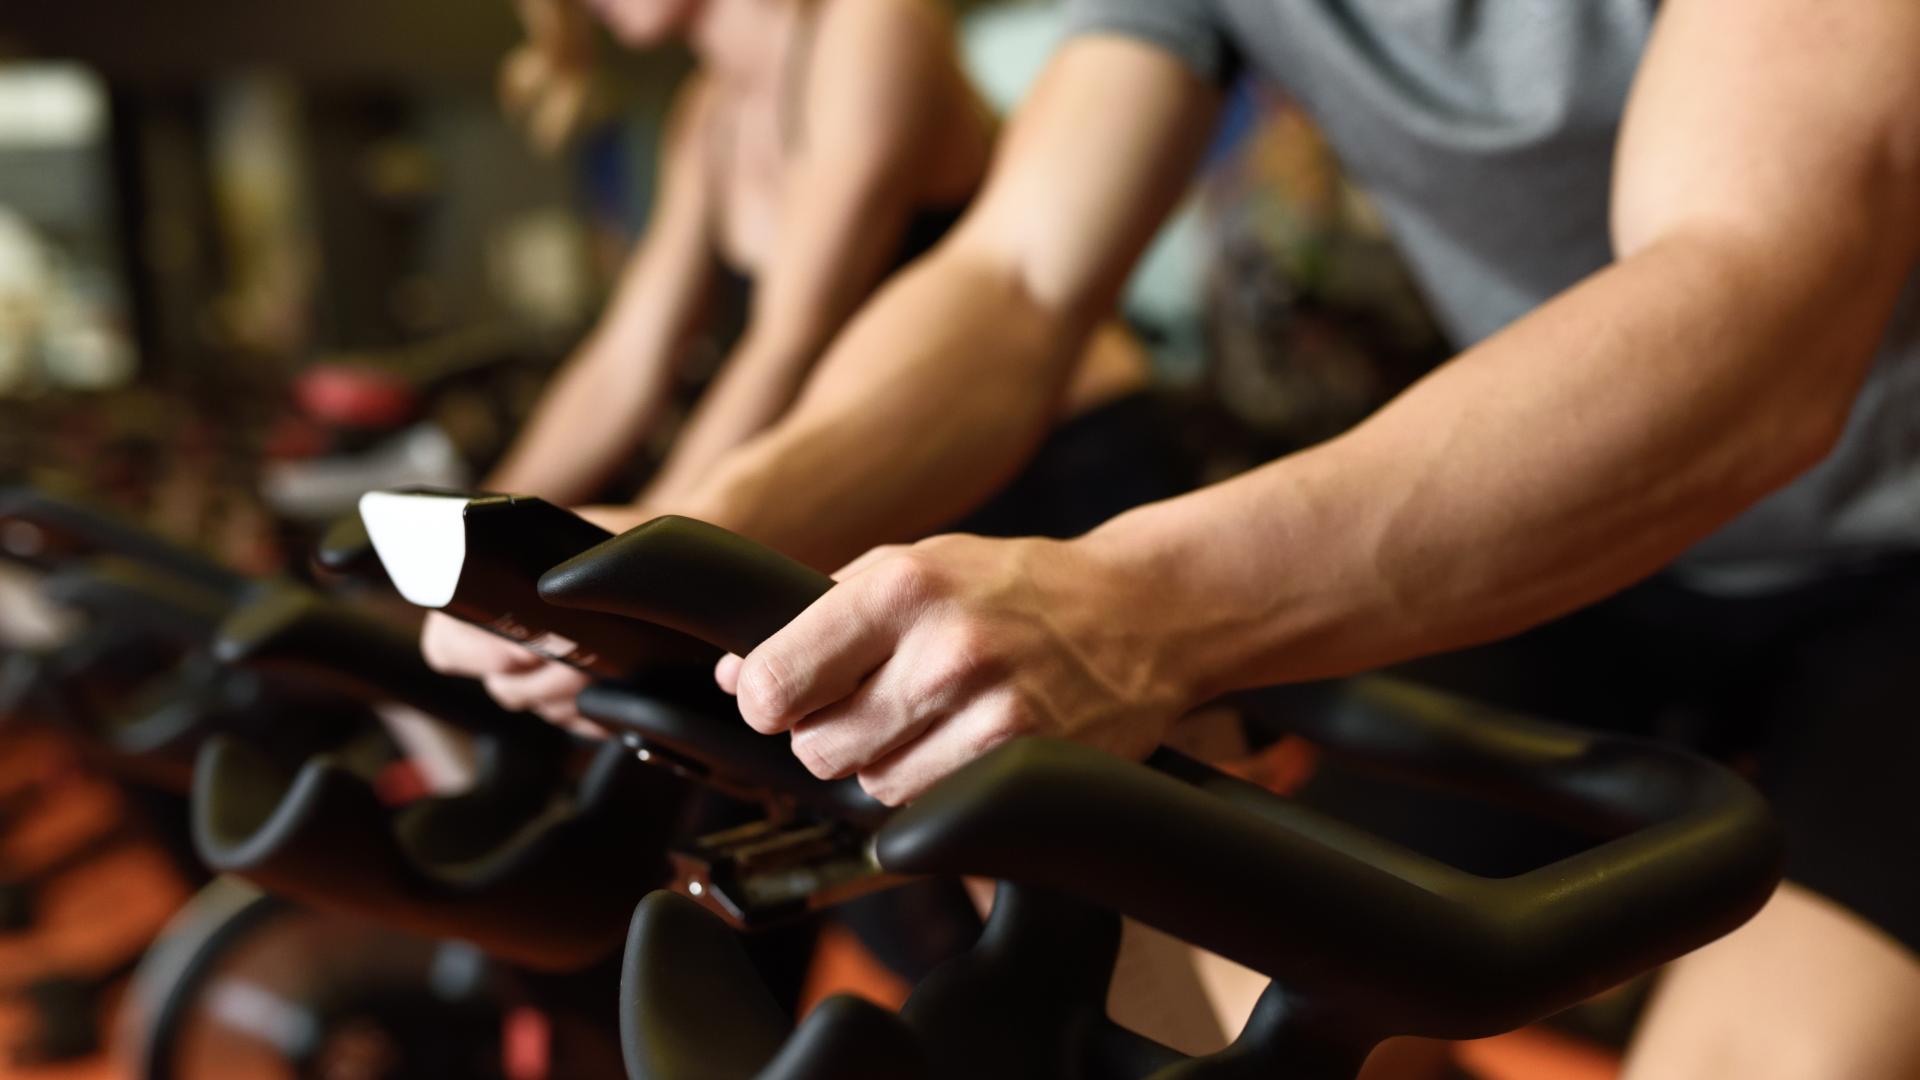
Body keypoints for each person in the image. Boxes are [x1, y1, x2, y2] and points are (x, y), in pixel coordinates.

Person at [663, 1, 1911, 1076]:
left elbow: (1764, 300)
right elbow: (1016, 280)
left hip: (1891, 554)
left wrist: (1135, 601)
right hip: (1580, 542)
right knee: (1216, 1028)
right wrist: (693, 534)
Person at [423, 0, 1153, 729]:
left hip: (1060, 470)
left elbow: (790, 338)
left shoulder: (870, 25)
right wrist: (465, 534)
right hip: (887, 478)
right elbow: (624, 359)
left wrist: (643, 558)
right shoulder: (708, 110)